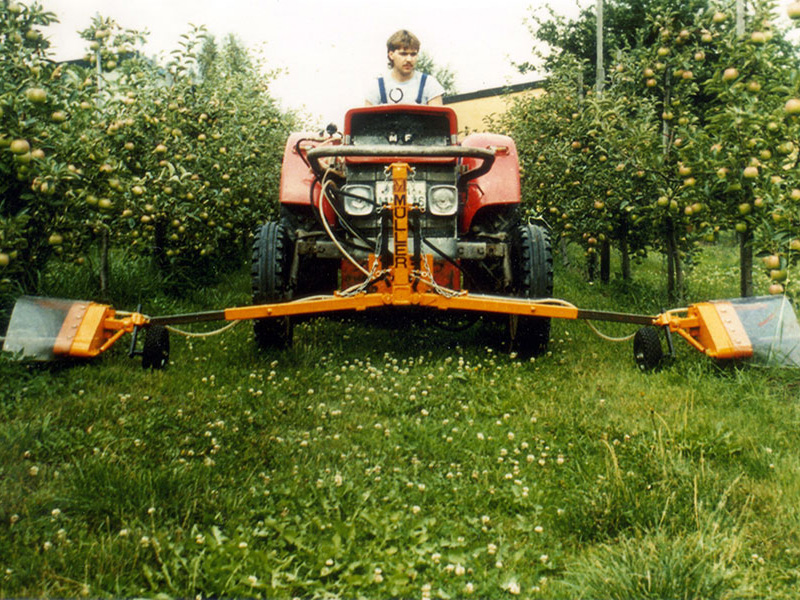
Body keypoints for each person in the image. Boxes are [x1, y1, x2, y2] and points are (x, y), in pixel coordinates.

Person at [365, 30, 444, 106]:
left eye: (413, 54)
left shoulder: (429, 84)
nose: (409, 59)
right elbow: (367, 114)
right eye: (403, 54)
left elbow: (437, 115)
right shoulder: (377, 86)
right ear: (391, 55)